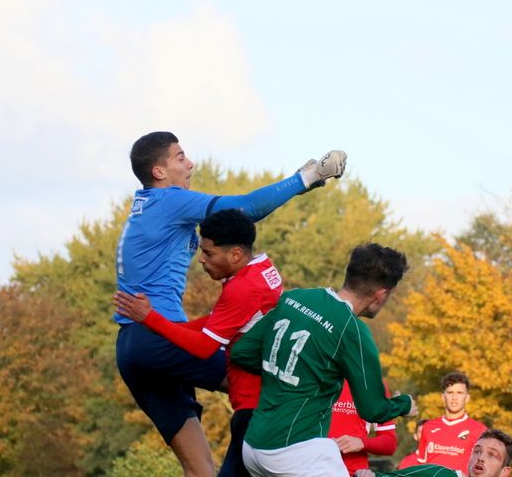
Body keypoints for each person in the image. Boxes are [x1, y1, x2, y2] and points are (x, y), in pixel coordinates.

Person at [114, 131, 346, 477]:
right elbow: (246, 209)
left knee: (199, 470)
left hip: (134, 347)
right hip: (159, 337)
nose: (190, 163)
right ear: (159, 172)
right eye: (180, 157)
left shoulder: (144, 207)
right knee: (278, 386)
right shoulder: (170, 201)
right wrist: (308, 177)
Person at [114, 208, 281, 477]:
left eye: (209, 253)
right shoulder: (262, 269)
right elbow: (217, 321)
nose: (201, 260)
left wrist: (151, 319)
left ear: (235, 254)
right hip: (266, 403)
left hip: (256, 407)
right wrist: (160, 326)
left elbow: (204, 347)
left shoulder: (242, 289)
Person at [230, 243, 418, 477]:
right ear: (382, 294)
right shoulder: (352, 329)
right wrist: (405, 405)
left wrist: (288, 371)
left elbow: (241, 353)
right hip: (295, 451)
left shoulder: (294, 297)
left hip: (253, 447)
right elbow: (373, 410)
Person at [354, 428, 512, 477]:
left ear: (504, 472)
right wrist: (372, 476)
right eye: (477, 451)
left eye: (492, 455)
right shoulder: (439, 473)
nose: (480, 458)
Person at [413, 372, 487, 475]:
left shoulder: (480, 430)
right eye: (450, 392)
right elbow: (420, 467)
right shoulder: (428, 427)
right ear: (443, 397)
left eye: (459, 393)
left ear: (467, 398)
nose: (454, 397)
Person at [330, 379, 399, 476]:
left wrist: (362, 443)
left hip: (355, 473)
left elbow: (390, 443)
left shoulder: (374, 384)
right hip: (312, 471)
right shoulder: (312, 375)